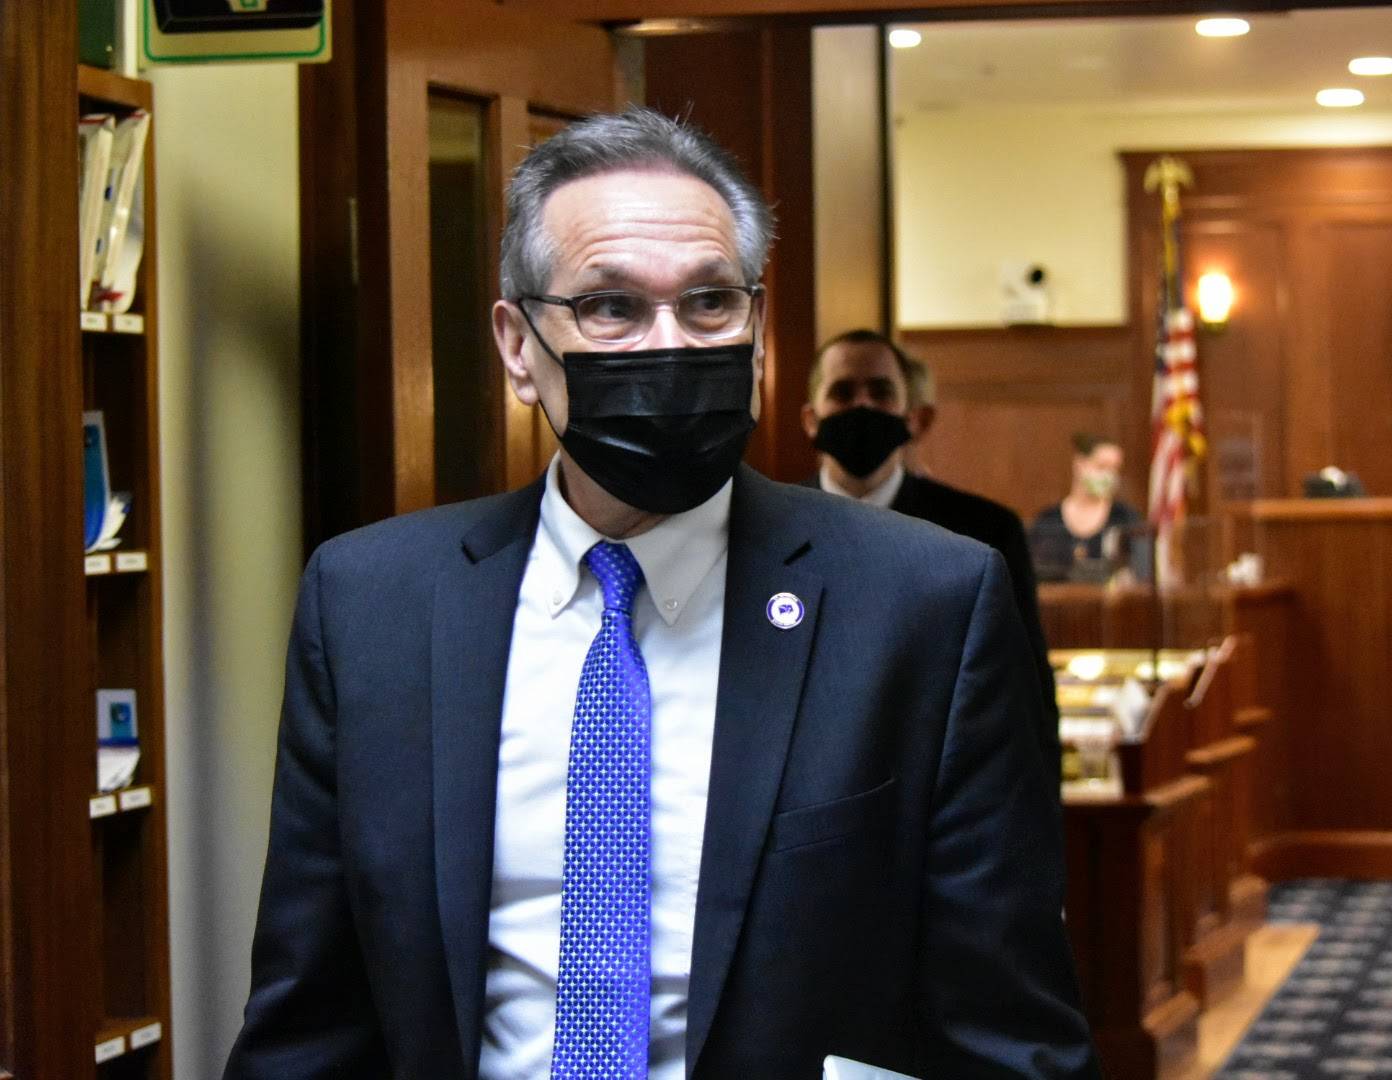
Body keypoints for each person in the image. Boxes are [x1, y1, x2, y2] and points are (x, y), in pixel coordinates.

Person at [224, 108, 1099, 1080]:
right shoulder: (370, 607)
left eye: (710, 303)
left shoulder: (924, 604)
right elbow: (309, 1027)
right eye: (610, 309)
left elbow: (1010, 1036)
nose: (668, 346)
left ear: (760, 333)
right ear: (518, 346)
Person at [800, 329, 1061, 794]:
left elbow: (1023, 692)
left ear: (916, 419)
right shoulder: (767, 529)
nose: (862, 406)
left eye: (881, 392)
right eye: (842, 392)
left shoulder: (982, 533)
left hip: (943, 798)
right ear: (810, 419)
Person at [1029, 432, 1152, 582]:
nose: (1109, 475)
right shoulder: (1048, 520)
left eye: (1115, 469)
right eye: (1102, 466)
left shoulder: (1126, 518)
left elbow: (1143, 574)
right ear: (1079, 464)